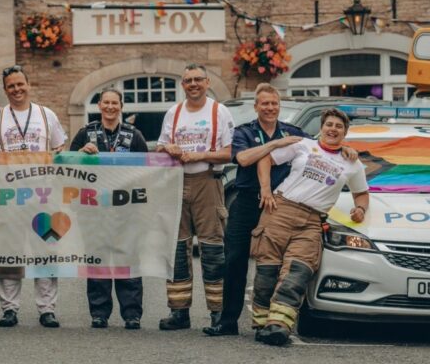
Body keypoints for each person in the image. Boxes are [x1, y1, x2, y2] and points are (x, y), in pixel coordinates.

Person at [204, 84, 357, 337]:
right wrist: (276, 144)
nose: (270, 108)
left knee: (272, 263)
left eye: (274, 103)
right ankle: (227, 320)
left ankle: (267, 320)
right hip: (247, 202)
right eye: (264, 103)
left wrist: (345, 149)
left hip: (279, 205)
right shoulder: (245, 132)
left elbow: (321, 146)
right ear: (256, 106)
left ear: (279, 105)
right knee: (234, 259)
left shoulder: (293, 132)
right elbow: (243, 159)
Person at [251, 108, 369, 346]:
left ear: (345, 132)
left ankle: (279, 325)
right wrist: (265, 189)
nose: (333, 129)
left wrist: (360, 210)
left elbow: (362, 193)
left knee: (298, 272)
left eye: (339, 126)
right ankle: (261, 323)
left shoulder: (352, 163)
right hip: (280, 210)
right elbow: (266, 159)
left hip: (312, 221)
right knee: (267, 271)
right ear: (321, 128)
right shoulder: (304, 145)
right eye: (329, 125)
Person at [0, 65, 67, 329]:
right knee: (10, 252)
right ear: (5, 90)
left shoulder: (46, 115)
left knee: (45, 250)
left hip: (43, 195)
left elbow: (59, 148)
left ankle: (47, 309)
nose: (17, 89)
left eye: (20, 84)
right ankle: (9, 308)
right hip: (10, 196)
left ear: (28, 85)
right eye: (11, 86)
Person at [156, 63, 234, 331]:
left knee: (212, 249)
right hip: (176, 182)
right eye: (188, 80)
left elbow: (228, 153)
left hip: (207, 182)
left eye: (198, 79)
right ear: (182, 85)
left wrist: (198, 155)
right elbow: (160, 145)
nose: (193, 84)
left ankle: (218, 313)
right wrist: (169, 146)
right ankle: (179, 312)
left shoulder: (219, 111)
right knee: (177, 249)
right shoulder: (173, 112)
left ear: (207, 81)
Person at [70, 88, 147, 330]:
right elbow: (68, 164)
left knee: (127, 259)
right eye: (106, 103)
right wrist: (82, 153)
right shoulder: (86, 133)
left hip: (126, 209)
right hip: (94, 209)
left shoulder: (134, 135)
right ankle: (99, 312)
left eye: (115, 103)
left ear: (121, 106)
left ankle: (131, 314)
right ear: (100, 106)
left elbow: (148, 170)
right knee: (98, 259)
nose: (110, 107)